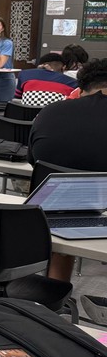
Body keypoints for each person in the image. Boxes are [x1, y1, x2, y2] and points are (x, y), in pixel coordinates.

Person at [28, 58, 107, 282]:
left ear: (80, 89)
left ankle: (55, 292)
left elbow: (33, 160)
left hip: (45, 216)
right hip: (98, 220)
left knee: (67, 203)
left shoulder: (49, 113)